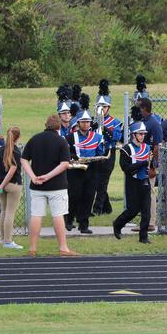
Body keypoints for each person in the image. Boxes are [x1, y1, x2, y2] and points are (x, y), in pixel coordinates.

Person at [20, 115, 77, 257]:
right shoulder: (61, 141)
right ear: (59, 126)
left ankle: (32, 248)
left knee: (36, 215)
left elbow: (24, 159)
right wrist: (48, 176)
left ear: (45, 125)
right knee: (58, 215)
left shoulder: (34, 139)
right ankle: (63, 247)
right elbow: (65, 164)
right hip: (57, 185)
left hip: (37, 185)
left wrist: (33, 176)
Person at [65, 94, 104, 234]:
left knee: (88, 197)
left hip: (91, 171)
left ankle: (84, 224)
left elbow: (100, 153)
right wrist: (73, 156)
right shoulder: (70, 137)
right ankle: (69, 220)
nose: (86, 124)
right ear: (78, 123)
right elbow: (66, 153)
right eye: (83, 122)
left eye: (88, 122)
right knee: (73, 195)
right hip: (75, 170)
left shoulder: (97, 137)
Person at [112, 121, 153, 243]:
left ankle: (143, 237)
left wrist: (152, 165)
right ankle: (117, 224)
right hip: (133, 182)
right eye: (140, 134)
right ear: (133, 135)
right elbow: (126, 168)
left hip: (145, 181)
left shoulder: (147, 147)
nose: (142, 136)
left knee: (146, 212)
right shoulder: (126, 149)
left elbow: (151, 164)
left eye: (144, 134)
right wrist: (143, 163)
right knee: (132, 210)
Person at [93, 79, 123, 215]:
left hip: (108, 153)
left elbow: (116, 137)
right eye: (99, 106)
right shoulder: (91, 121)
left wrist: (104, 128)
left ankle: (97, 209)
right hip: (95, 153)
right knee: (96, 181)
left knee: (103, 182)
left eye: (104, 106)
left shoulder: (115, 122)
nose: (102, 109)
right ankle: (107, 207)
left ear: (109, 108)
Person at [0, 126, 23, 249]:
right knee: (10, 212)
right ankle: (8, 241)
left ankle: (3, 238)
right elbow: (12, 170)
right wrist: (2, 184)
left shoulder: (0, 149)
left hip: (1, 184)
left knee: (4, 211)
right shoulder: (16, 151)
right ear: (18, 137)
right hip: (13, 185)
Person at [138, 97, 163, 231]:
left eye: (139, 107)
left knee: (150, 192)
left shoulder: (153, 123)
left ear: (145, 108)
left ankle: (151, 222)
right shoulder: (144, 121)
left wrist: (153, 166)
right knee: (142, 192)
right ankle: (145, 221)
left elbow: (157, 146)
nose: (138, 110)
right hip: (141, 162)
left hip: (149, 163)